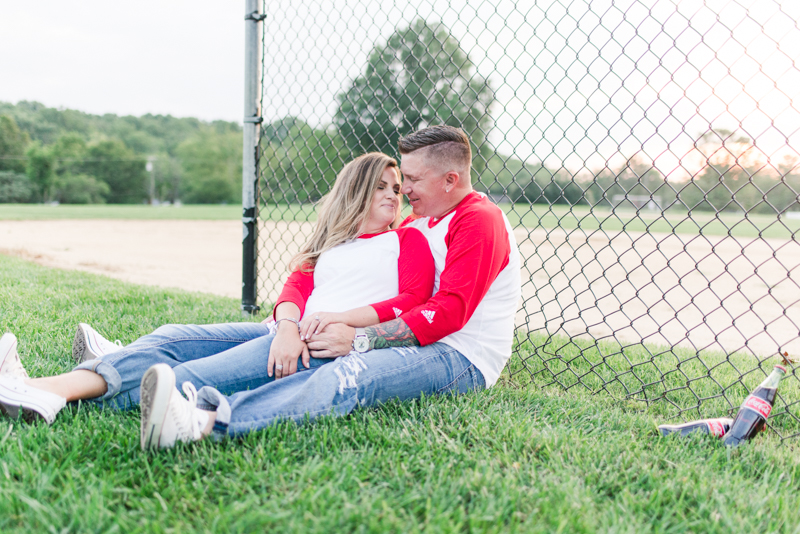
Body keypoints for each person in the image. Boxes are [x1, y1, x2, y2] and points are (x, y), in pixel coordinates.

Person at [129, 124, 520, 449]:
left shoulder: (479, 220)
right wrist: (290, 319)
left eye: (413, 180)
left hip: (459, 357)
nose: (405, 191)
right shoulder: (422, 219)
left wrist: (360, 337)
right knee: (265, 345)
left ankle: (205, 421)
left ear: (451, 180)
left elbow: (448, 312)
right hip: (413, 338)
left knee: (349, 374)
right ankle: (127, 372)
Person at [0, 152, 435, 442]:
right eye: (382, 186)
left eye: (397, 189)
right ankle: (47, 386)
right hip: (282, 331)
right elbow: (297, 284)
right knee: (171, 336)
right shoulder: (337, 241)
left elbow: (412, 300)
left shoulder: (406, 241)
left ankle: (56, 387)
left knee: (187, 374)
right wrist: (286, 325)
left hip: (317, 342)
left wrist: (331, 321)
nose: (394, 197)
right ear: (356, 191)